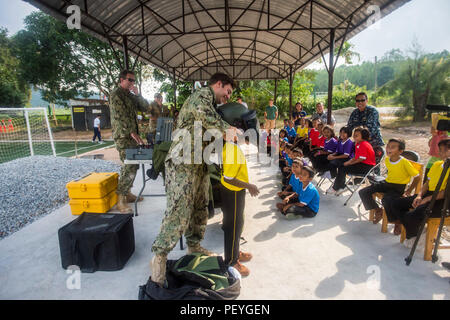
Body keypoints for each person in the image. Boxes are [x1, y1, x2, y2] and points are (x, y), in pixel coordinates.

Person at [150, 73, 237, 287]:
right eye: (228, 91)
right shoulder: (201, 96)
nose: (228, 96)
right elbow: (205, 117)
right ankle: (159, 262)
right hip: (182, 163)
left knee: (200, 206)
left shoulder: (211, 103)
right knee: (179, 211)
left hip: (198, 163)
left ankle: (194, 245)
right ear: (219, 84)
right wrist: (228, 130)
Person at [384, 138, 449, 244]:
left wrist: (426, 199)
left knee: (411, 216)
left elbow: (446, 192)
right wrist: (419, 195)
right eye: (440, 149)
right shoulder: (437, 164)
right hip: (428, 195)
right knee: (395, 203)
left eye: (443, 150)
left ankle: (414, 235)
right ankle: (415, 232)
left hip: (442, 201)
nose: (439, 152)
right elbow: (427, 183)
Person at [109, 69, 151, 213]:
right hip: (123, 136)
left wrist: (138, 94)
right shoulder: (116, 95)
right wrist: (131, 132)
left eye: (134, 80)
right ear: (122, 80)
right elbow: (120, 116)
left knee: (134, 165)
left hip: (133, 136)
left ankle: (127, 193)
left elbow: (146, 108)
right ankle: (120, 200)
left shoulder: (130, 96)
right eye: (130, 80)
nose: (132, 82)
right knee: (128, 165)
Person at [220, 128, 259, 276]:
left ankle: (235, 252)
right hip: (233, 192)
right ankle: (231, 261)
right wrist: (250, 186)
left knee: (238, 223)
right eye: (236, 131)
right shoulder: (231, 150)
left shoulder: (233, 146)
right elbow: (229, 178)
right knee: (233, 227)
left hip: (234, 190)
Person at [358, 138, 420, 232]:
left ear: (400, 151)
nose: (388, 149)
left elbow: (417, 177)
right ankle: (378, 211)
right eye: (388, 146)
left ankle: (397, 222)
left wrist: (409, 190)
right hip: (387, 183)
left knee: (386, 200)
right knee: (363, 191)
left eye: (393, 147)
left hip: (398, 187)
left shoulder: (404, 162)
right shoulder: (387, 160)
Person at [327, 127, 375, 196]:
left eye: (357, 135)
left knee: (343, 168)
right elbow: (356, 157)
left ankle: (335, 188)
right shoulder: (358, 144)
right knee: (342, 165)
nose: (354, 137)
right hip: (361, 164)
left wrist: (350, 163)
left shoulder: (364, 144)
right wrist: (349, 162)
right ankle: (341, 186)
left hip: (367, 167)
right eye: (354, 135)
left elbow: (361, 159)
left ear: (363, 136)